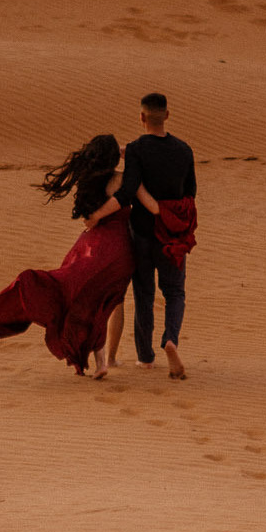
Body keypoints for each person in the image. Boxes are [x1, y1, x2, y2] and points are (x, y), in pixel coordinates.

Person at [0, 133, 161, 378]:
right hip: (119, 249)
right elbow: (148, 201)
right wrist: (129, 155)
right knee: (111, 302)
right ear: (114, 157)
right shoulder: (123, 180)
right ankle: (108, 359)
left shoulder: (88, 182)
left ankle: (102, 362)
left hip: (89, 245)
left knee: (87, 299)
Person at [94, 92, 196, 379]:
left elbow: (127, 192)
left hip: (141, 234)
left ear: (141, 117)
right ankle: (171, 340)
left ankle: (145, 358)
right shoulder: (185, 150)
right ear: (167, 115)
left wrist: (96, 215)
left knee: (143, 294)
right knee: (175, 292)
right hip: (171, 236)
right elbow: (191, 193)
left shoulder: (137, 150)